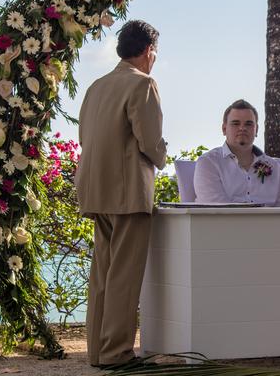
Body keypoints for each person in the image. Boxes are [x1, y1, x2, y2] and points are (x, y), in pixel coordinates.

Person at [75, 20, 167, 368]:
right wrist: (163, 156)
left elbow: (85, 137)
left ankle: (98, 352)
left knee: (103, 273)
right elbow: (150, 141)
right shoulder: (143, 84)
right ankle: (117, 353)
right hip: (128, 191)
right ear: (148, 50)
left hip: (95, 188)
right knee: (124, 277)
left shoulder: (96, 87)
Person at [194, 99, 280, 206]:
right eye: (235, 123)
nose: (242, 128)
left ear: (256, 130)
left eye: (248, 124)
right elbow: (215, 207)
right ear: (224, 129)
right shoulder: (209, 163)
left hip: (269, 218)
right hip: (223, 217)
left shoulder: (274, 167)